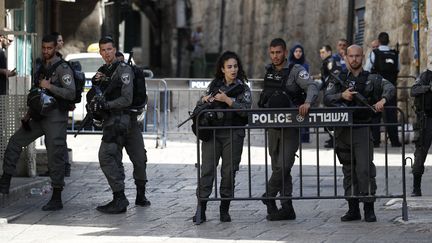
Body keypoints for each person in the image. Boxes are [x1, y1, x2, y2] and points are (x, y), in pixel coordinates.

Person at [0, 34, 76, 211]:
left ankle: (56, 196)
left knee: (54, 155)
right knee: (14, 142)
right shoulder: (41, 66)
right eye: (44, 48)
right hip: (39, 116)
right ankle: (5, 181)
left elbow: (71, 93)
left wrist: (50, 87)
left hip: (56, 117)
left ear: (55, 48)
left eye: (49, 48)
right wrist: (28, 115)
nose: (46, 51)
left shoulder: (63, 68)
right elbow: (37, 94)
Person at [324, 45, 395, 222]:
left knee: (364, 169)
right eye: (351, 56)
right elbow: (326, 97)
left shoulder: (371, 78)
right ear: (346, 57)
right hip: (342, 131)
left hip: (362, 128)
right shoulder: (339, 78)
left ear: (362, 57)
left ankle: (369, 208)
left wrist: (383, 100)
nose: (354, 59)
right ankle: (352, 208)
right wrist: (342, 95)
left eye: (357, 56)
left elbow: (390, 88)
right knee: (348, 171)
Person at [258, 38, 319, 221]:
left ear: (285, 52)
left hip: (290, 127)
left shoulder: (296, 71)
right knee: (279, 167)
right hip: (273, 127)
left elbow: (312, 86)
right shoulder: (268, 71)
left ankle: (269, 195)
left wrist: (307, 103)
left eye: (278, 52)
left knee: (284, 165)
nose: (275, 56)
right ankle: (286, 207)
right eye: (272, 53)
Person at [90, 36, 148, 214]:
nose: (106, 53)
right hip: (114, 120)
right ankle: (120, 196)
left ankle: (133, 195)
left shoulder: (123, 70)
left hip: (123, 120)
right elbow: (98, 94)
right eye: (103, 50)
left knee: (136, 158)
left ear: (114, 50)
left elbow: (126, 99)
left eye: (109, 49)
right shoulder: (103, 71)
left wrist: (106, 105)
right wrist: (96, 85)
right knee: (111, 156)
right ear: (100, 52)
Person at [193, 51, 251, 223]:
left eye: (235, 66)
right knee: (207, 170)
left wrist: (228, 100)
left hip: (233, 134)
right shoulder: (214, 85)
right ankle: (201, 208)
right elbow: (199, 103)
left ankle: (224, 209)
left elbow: (246, 110)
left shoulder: (243, 88)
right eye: (229, 67)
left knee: (228, 172)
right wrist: (205, 99)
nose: (233, 70)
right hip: (213, 133)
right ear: (222, 69)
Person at [365, 32, 402, 147]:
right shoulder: (395, 54)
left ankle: (375, 141)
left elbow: (367, 69)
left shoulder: (374, 53)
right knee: (391, 114)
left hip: (377, 87)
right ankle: (394, 141)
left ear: (379, 41)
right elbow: (398, 68)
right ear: (388, 41)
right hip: (391, 87)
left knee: (376, 114)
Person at [410, 69, 432, 197]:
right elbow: (413, 90)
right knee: (420, 154)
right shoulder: (426, 76)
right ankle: (416, 187)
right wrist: (428, 88)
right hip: (426, 120)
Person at [319, 45, 342, 148]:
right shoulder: (334, 60)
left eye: (323, 52)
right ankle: (332, 139)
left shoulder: (330, 61)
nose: (321, 54)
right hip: (332, 91)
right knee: (330, 115)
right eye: (320, 52)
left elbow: (332, 76)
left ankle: (334, 140)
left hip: (331, 92)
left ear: (329, 52)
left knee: (330, 116)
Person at [289, 43, 310, 143]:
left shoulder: (305, 64)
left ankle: (305, 137)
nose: (298, 53)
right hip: (293, 93)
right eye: (296, 51)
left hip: (304, 92)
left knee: (304, 112)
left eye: (300, 51)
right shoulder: (289, 64)